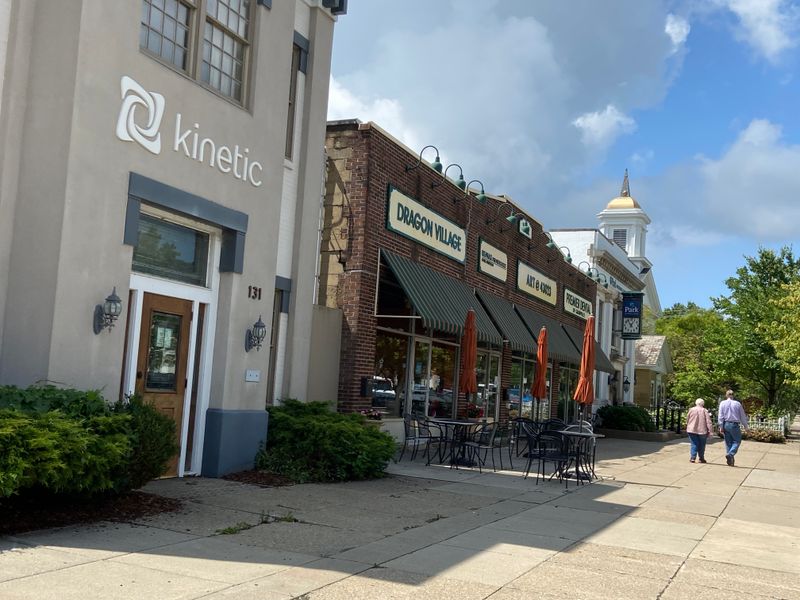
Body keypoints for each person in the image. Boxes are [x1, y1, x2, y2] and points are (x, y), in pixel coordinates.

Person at [717, 389, 749, 466]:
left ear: (726, 395)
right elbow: (742, 416)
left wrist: (721, 426)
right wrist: (746, 426)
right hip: (734, 424)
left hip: (726, 424)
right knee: (737, 441)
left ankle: (730, 460)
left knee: (728, 443)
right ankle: (731, 454)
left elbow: (720, 416)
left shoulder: (722, 403)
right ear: (733, 395)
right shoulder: (737, 404)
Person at [685, 398, 713, 463]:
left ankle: (693, 457)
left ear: (696, 403)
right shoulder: (704, 410)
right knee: (702, 445)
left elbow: (687, 419)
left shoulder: (691, 410)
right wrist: (710, 431)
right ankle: (701, 458)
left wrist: (688, 425)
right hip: (702, 430)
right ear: (703, 404)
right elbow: (708, 421)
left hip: (692, 429)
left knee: (694, 443)